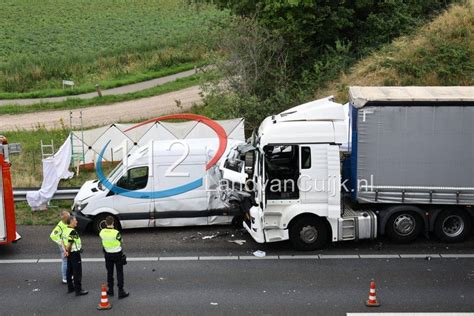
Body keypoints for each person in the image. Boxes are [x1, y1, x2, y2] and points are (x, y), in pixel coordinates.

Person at [99, 216, 129, 299]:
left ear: (105, 223)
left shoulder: (102, 232)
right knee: (119, 272)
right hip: (117, 254)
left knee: (109, 272)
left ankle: (111, 290)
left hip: (108, 254)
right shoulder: (116, 233)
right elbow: (121, 241)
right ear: (113, 222)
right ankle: (121, 291)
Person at [63, 215, 88, 296]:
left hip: (69, 253)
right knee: (77, 272)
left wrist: (66, 251)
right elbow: (70, 244)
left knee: (69, 270)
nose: (76, 222)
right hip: (74, 253)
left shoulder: (65, 230)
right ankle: (78, 290)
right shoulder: (73, 232)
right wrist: (68, 250)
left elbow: (62, 241)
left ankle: (70, 288)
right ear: (71, 222)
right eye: (75, 220)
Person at [49, 210, 70, 284]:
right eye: (68, 216)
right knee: (65, 261)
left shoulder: (67, 223)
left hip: (68, 245)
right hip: (64, 246)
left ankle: (69, 275)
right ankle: (65, 277)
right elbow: (53, 235)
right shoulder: (60, 226)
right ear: (64, 218)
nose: (70, 217)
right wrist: (61, 243)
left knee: (68, 260)